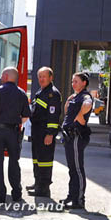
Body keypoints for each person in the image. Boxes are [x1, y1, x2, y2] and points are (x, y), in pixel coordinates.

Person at [0, 67, 31, 203]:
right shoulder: (22, 93)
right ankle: (17, 194)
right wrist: (15, 122)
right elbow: (26, 116)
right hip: (14, 132)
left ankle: (0, 196)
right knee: (14, 162)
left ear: (5, 76)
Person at [60, 72, 93, 210]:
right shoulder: (75, 96)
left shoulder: (85, 96)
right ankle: (72, 196)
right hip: (68, 136)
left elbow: (88, 104)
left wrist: (80, 115)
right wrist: (69, 100)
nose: (73, 84)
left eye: (76, 81)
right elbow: (67, 111)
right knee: (72, 169)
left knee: (77, 169)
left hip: (76, 136)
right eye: (72, 81)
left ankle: (79, 200)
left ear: (84, 83)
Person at [27, 67, 62, 198]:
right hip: (37, 132)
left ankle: (44, 189)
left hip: (45, 133)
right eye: (39, 76)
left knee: (45, 161)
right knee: (37, 160)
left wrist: (50, 133)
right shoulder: (40, 91)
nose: (41, 79)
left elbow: (53, 116)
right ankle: (38, 184)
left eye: (44, 76)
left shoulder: (53, 93)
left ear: (50, 77)